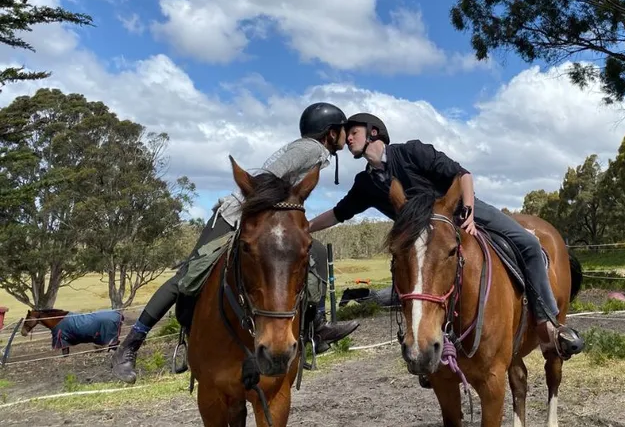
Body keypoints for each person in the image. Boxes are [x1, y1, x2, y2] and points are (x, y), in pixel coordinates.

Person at [111, 102, 361, 385]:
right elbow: (267, 177)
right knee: (188, 276)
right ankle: (130, 345)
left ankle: (316, 327)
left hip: (264, 215)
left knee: (311, 251)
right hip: (235, 215)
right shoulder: (311, 149)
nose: (347, 135)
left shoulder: (315, 151)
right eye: (343, 130)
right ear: (330, 133)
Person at [308, 113, 584, 367]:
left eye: (353, 131)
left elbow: (462, 174)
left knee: (529, 244)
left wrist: (470, 213)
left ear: (374, 132)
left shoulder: (411, 151)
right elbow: (337, 213)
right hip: (428, 245)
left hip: (461, 211)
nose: (349, 137)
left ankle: (548, 324)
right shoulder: (364, 184)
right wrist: (304, 228)